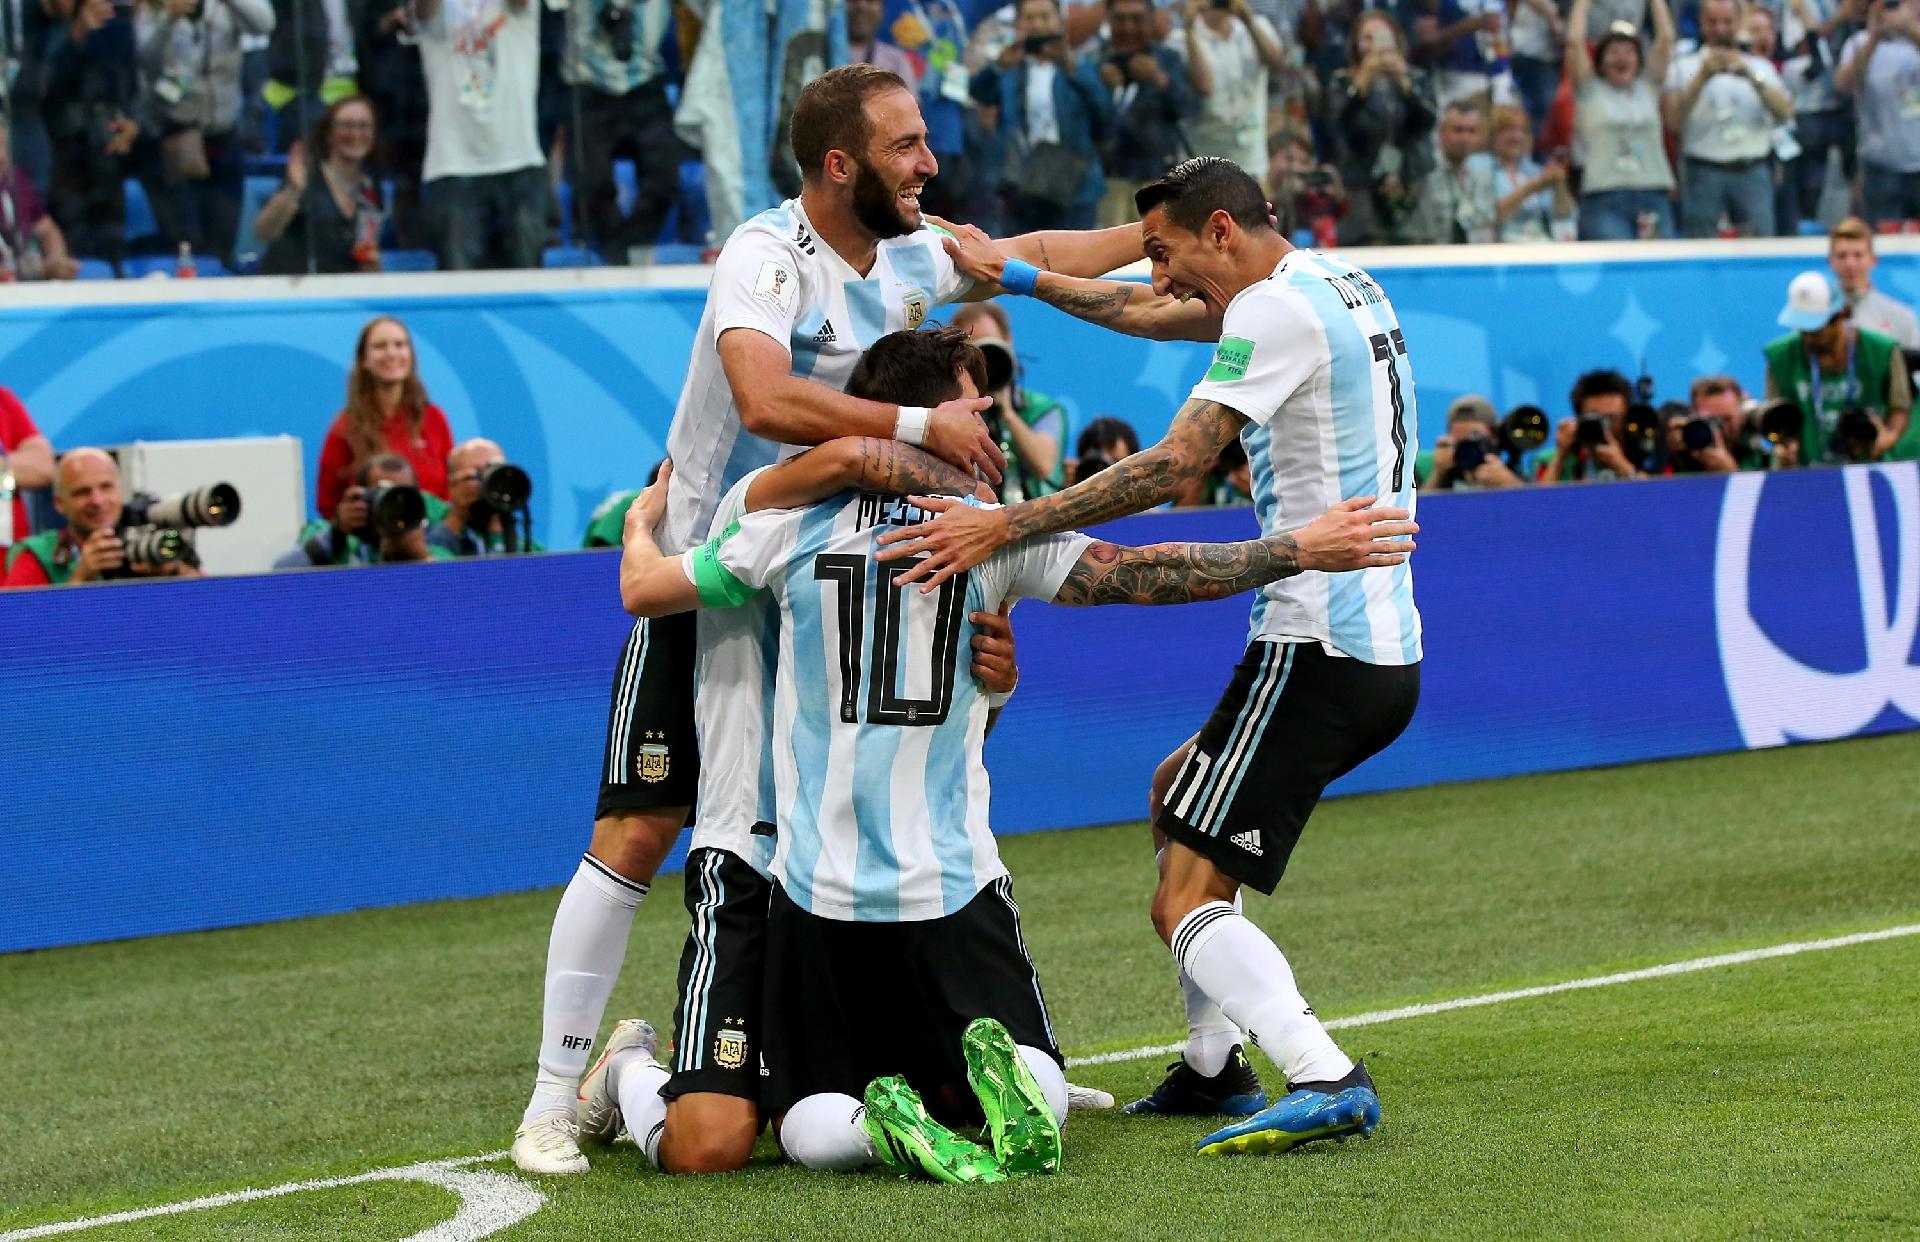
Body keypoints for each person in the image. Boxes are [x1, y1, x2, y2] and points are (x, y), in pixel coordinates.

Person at [507, 61, 1158, 1177]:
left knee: (867, 800)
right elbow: (762, 400)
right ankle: (560, 1093)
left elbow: (1035, 255)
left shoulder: (910, 255)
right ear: (841, 162)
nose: (931, 164)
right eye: (908, 145)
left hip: (827, 575)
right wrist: (911, 426)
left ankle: (974, 1057)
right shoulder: (765, 259)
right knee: (644, 829)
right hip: (720, 570)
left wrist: (1159, 232)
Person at [595, 325, 1418, 1183]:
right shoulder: (989, 532)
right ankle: (983, 1091)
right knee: (1041, 1094)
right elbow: (1144, 573)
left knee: (806, 1128)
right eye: (972, 402)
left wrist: (642, 525)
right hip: (954, 886)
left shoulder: (789, 529)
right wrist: (1295, 550)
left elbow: (645, 591)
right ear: (925, 416)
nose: (989, 419)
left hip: (818, 893)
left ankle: (877, 1130)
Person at [877, 157, 1424, 1156]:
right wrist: (1019, 277)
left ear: (1221, 230)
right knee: (1178, 789)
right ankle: (1214, 1066)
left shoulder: (1270, 316)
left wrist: (1010, 525)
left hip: (1319, 640)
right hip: (1376, 640)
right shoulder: (1334, 286)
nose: (1163, 279)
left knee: (1180, 896)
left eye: (1168, 254)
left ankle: (1323, 1071)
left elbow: (1175, 466)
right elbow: (1145, 314)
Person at [132, 0, 273, 267]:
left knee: (223, 242)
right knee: (187, 245)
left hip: (224, 137)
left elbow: (264, 24)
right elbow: (144, 60)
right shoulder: (154, 8)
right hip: (175, 139)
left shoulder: (224, 8)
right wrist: (169, 20)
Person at [413, 0, 544, 269]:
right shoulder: (437, 11)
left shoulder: (515, 10)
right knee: (460, 288)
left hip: (519, 160)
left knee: (527, 284)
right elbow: (423, 11)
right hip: (453, 164)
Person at [971, 0, 1113, 232]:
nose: (1037, 24)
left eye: (1045, 17)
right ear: (1018, 24)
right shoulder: (1011, 69)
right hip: (1021, 186)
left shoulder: (1082, 66)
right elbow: (979, 92)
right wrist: (997, 66)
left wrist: (1073, 69)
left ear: (1059, 21)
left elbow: (1105, 115)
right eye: (1029, 18)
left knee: (1077, 262)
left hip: (1075, 185)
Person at [563, 0, 685, 262]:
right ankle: (614, 255)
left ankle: (629, 249)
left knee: (666, 179)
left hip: (647, 79)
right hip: (587, 83)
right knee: (590, 182)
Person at [1662, 0, 1793, 238]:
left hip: (1751, 169)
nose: (1720, 29)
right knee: (1701, 247)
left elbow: (1785, 113)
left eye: (1727, 22)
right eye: (1712, 22)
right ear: (1702, 23)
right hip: (1703, 170)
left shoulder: (1760, 67)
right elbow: (1673, 122)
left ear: (1739, 23)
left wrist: (1752, 77)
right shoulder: (1683, 67)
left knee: (1760, 244)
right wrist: (1702, 77)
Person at [1763, 270, 1914, 465]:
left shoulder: (1882, 350)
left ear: (1840, 315)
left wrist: (1888, 438)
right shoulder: (1780, 356)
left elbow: (1900, 406)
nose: (1807, 338)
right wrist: (1782, 447)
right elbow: (1774, 414)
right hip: (1804, 472)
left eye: (1816, 330)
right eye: (1802, 329)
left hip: (1867, 467)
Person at [314, 316, 454, 521]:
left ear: (411, 356)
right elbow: (328, 506)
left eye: (400, 345)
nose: (392, 353)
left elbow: (450, 491)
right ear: (364, 360)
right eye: (380, 346)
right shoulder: (344, 427)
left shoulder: (434, 418)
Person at [4, 448, 203, 586]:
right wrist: (81, 579)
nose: (97, 500)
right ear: (59, 503)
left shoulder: (151, 541)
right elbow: (13, 630)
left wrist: (174, 573)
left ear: (121, 491)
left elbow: (213, 605)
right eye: (82, 492)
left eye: (106, 487)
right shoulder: (39, 556)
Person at [1566, 0, 1678, 240]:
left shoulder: (1648, 87)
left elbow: (1666, 39)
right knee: (1615, 272)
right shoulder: (1588, 90)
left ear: (1639, 59)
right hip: (1605, 196)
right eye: (1613, 51)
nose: (1622, 58)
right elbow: (1574, 43)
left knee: (1657, 271)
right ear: (1600, 59)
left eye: (1629, 51)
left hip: (1652, 194)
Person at [1325, 10, 1437, 245]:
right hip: (1362, 189)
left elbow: (1426, 122)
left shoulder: (1417, 79)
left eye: (1381, 36)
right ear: (1355, 43)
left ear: (1396, 40)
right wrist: (1362, 83)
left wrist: (1405, 86)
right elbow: (1339, 127)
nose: (1375, 45)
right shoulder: (1342, 82)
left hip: (1411, 183)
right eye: (1367, 37)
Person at [43, 0, 140, 265]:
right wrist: (80, 30)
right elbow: (47, 85)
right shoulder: (52, 26)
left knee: (112, 233)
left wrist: (132, 122)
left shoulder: (120, 25)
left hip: (109, 148)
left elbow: (131, 83)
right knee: (74, 234)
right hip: (66, 155)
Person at [1097, 0, 1202, 228]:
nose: (1129, 27)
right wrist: (1099, 85)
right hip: (1107, 178)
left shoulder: (1167, 59)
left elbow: (1190, 108)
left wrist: (1159, 78)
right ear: (1109, 20)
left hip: (1156, 176)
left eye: (1137, 19)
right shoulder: (1096, 60)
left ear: (1151, 21)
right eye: (1121, 19)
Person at [951, 301, 1068, 500]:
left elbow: (1045, 467)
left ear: (1008, 342)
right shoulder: (948, 412)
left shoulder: (1043, 408)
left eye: (990, 349)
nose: (984, 363)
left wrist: (1007, 411)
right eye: (973, 353)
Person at [255, 95, 384, 275]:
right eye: (347, 125)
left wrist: (373, 266)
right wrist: (294, 190)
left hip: (341, 292)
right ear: (329, 134)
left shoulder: (370, 186)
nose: (355, 134)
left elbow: (367, 253)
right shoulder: (307, 175)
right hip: (291, 288)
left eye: (363, 126)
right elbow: (263, 233)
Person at [1172, 0, 1286, 181]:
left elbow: (1276, 62)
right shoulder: (1179, 39)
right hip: (1203, 163)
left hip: (1252, 160)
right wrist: (1189, 28)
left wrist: (1248, 20)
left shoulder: (1258, 25)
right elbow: (1204, 86)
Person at [275, 453, 452, 567]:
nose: (394, 506)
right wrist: (336, 536)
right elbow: (281, 573)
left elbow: (460, 593)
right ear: (362, 495)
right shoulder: (329, 536)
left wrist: (420, 558)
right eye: (384, 495)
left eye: (403, 496)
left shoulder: (434, 550)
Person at [1834, 0, 1920, 228]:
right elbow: (1843, 85)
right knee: (1883, 239)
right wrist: (1874, 37)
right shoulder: (1860, 42)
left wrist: (1911, 32)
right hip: (1880, 165)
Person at [427, 438, 544, 556]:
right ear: (453, 484)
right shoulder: (433, 532)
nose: (489, 479)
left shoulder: (530, 549)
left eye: (495, 469)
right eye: (478, 473)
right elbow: (430, 564)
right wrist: (458, 515)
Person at [0, 113, 82, 279]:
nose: (1, 156)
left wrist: (55, 258)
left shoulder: (16, 180)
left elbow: (46, 229)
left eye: (2, 146)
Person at [1827, 217, 1920, 349]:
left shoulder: (1901, 317)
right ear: (1830, 261)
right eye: (1842, 256)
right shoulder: (1815, 319)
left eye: (1858, 255)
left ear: (1873, 260)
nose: (1850, 264)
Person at [1413, 99, 1497, 243]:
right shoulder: (1424, 172)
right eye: (1458, 130)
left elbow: (1488, 224)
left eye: (1471, 131)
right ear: (1441, 132)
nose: (1465, 138)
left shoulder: (1483, 174)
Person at [1539, 368, 1645, 481]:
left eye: (1612, 418)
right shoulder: (1550, 459)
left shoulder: (1644, 454)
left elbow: (1661, 494)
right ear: (1578, 418)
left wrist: (1621, 465)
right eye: (1595, 418)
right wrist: (1560, 456)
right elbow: (1537, 498)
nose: (1604, 426)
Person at [1489, 103, 1576, 240]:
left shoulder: (1536, 171)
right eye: (1509, 129)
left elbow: (1564, 217)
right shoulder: (1481, 168)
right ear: (1493, 134)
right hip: (1500, 251)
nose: (1517, 137)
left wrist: (1560, 185)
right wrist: (1531, 188)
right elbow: (1489, 218)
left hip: (1540, 247)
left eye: (1524, 130)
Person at [1417, 394, 1524, 487]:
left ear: (1495, 437)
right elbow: (1418, 508)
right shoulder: (1435, 473)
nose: (1468, 449)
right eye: (1460, 443)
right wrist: (1439, 474)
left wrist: (1509, 484)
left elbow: (1535, 506)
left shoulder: (1510, 470)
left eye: (1475, 440)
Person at [1662, 375, 1759, 473]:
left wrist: (1731, 472)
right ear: (1694, 416)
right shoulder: (1683, 453)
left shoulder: (1757, 457)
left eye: (1727, 419)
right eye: (1712, 420)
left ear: (1742, 416)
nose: (1721, 429)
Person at [0, 388, 56, 550]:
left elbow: (43, 467)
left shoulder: (3, 400)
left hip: (12, 562)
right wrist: (12, 471)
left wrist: (4, 476)